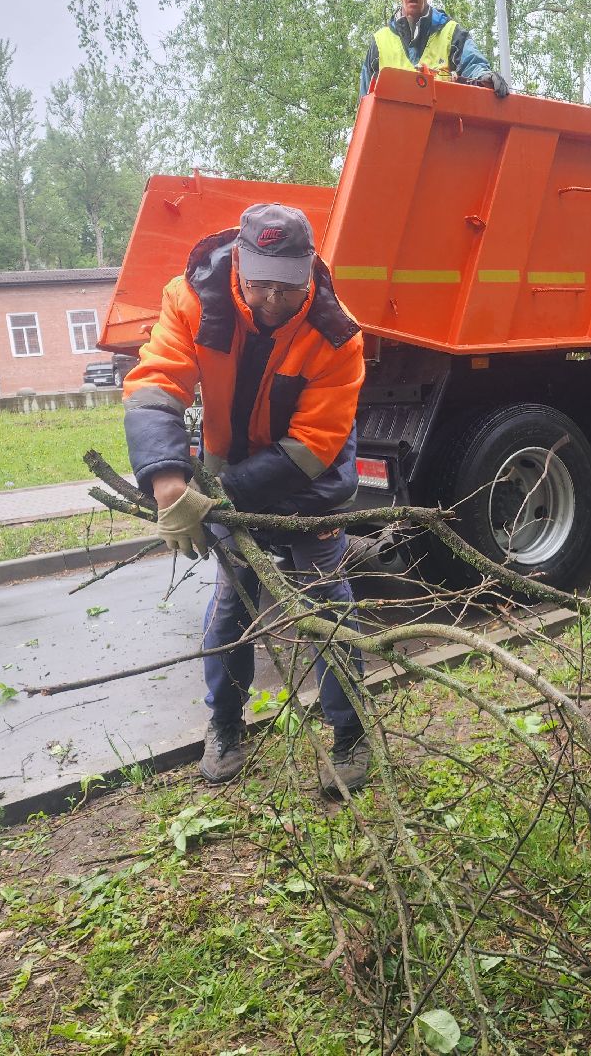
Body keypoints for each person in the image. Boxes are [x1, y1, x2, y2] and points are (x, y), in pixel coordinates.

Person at [122, 203, 370, 796]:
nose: (270, 302)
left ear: (308, 272)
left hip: (307, 483)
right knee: (233, 605)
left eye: (287, 288)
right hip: (227, 477)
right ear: (239, 264)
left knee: (325, 605)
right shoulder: (191, 299)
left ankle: (351, 733)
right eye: (260, 285)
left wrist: (217, 494)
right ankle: (225, 727)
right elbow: (157, 381)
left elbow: (312, 445)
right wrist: (168, 480)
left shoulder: (336, 334)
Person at [360, 0, 508, 98]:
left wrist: (484, 76)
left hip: (443, 131)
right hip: (393, 132)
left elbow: (473, 64)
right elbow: (364, 102)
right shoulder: (379, 43)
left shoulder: (451, 33)